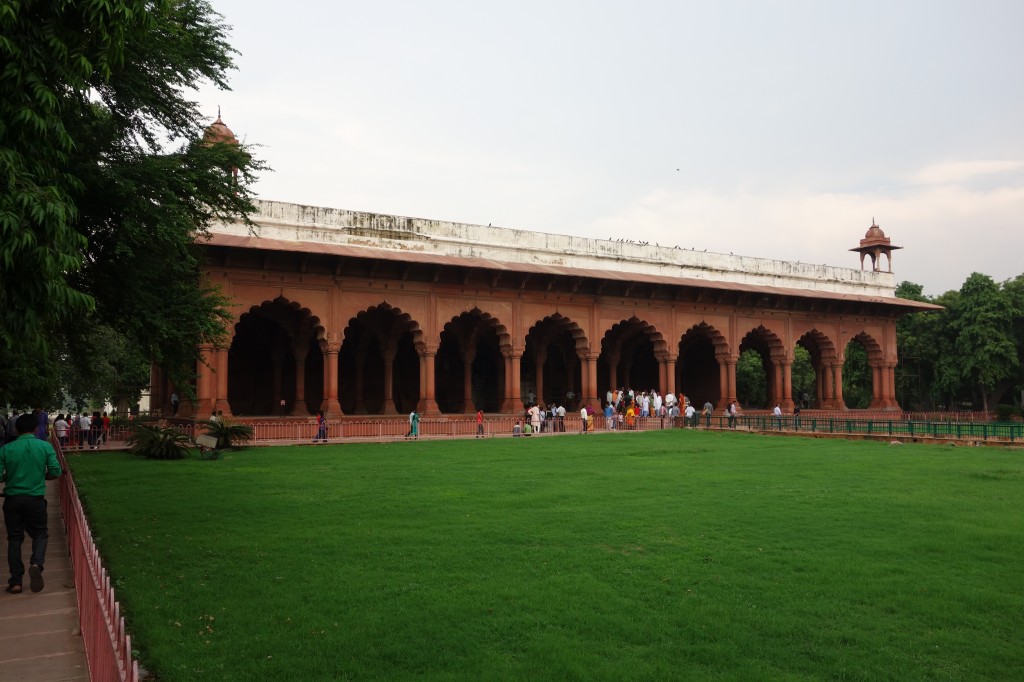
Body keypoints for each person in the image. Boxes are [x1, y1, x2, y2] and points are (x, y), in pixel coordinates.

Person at [1, 413, 62, 594]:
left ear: (16, 429)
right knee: (40, 534)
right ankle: (36, 563)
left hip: (12, 500)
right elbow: (55, 471)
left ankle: (16, 582)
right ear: (36, 428)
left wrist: (10, 476)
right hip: (35, 500)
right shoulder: (45, 447)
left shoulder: (5, 449)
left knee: (14, 539)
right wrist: (41, 476)